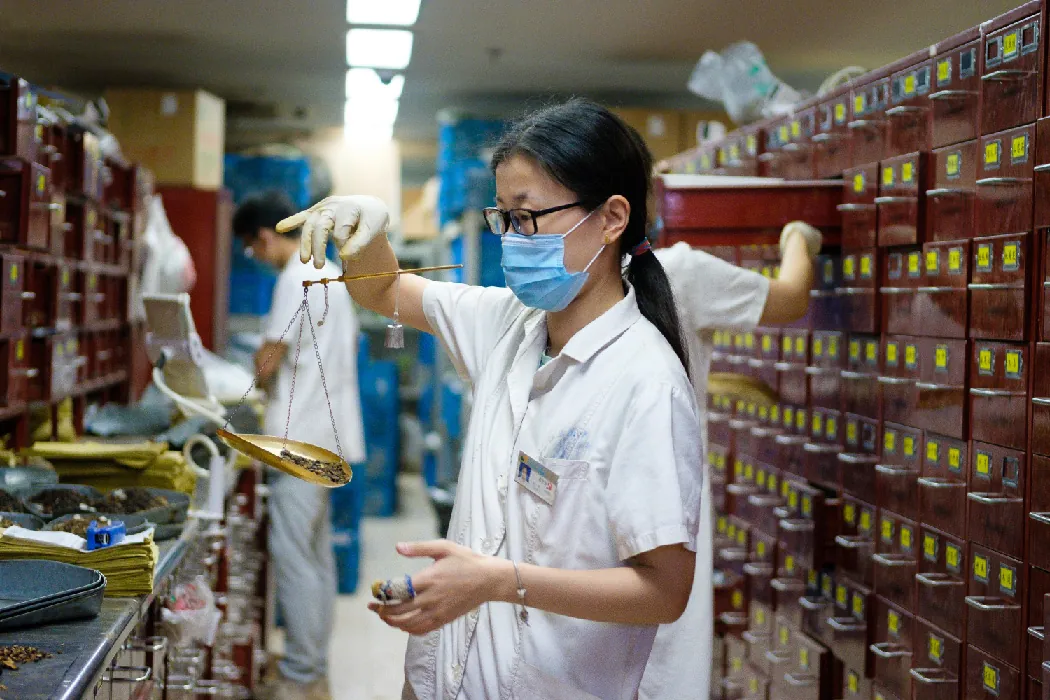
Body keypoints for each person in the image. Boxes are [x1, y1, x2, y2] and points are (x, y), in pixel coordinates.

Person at [281, 98, 703, 699]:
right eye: (502, 218)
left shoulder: (645, 384)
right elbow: (385, 292)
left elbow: (664, 590)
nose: (512, 240)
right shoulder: (512, 324)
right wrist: (366, 233)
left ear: (611, 219)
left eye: (528, 218)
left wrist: (500, 582)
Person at [639, 221, 822, 700]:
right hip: (665, 503)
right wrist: (797, 237)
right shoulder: (682, 270)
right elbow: (791, 296)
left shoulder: (670, 273)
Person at [232, 191, 367, 700]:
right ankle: (313, 667)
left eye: (253, 248)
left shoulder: (294, 279)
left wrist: (250, 380)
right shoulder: (329, 271)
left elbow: (268, 361)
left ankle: (302, 673)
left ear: (265, 237)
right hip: (328, 440)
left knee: (293, 557)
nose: (257, 258)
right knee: (315, 556)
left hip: (298, 441)